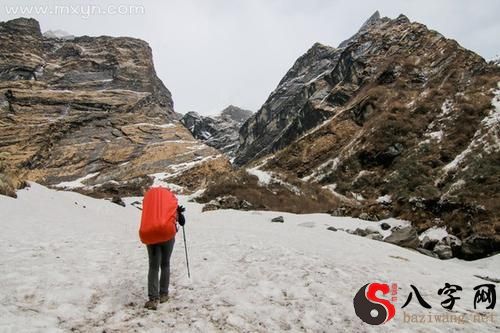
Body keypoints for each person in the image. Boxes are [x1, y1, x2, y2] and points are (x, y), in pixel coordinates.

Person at [143, 201, 186, 310]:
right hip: (167, 236)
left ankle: (153, 299)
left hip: (152, 235)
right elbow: (182, 222)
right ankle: (163, 294)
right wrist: (179, 212)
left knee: (153, 267)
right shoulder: (170, 204)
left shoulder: (150, 206)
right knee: (165, 264)